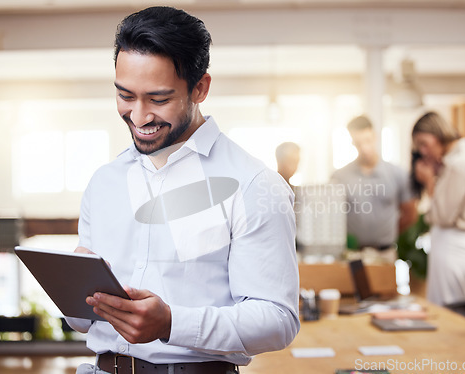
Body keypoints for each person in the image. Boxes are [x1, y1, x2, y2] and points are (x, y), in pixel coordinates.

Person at [66, 6, 300, 374]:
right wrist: (75, 292)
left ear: (200, 88)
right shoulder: (104, 182)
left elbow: (278, 319)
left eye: (158, 99)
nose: (139, 116)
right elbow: (81, 322)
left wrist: (171, 323)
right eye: (126, 96)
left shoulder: (254, 184)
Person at [412, 111, 465, 306]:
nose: (423, 151)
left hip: (452, 245)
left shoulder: (458, 165)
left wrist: (429, 183)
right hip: (461, 245)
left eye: (424, 143)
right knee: (454, 309)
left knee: (446, 313)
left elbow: (442, 216)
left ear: (437, 135)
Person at [331, 115, 417, 263]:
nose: (364, 148)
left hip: (385, 254)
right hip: (352, 254)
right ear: (352, 143)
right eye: (358, 143)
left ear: (375, 136)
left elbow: (410, 213)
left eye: (367, 141)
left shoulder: (397, 174)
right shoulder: (340, 177)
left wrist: (387, 233)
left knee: (384, 287)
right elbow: (332, 215)